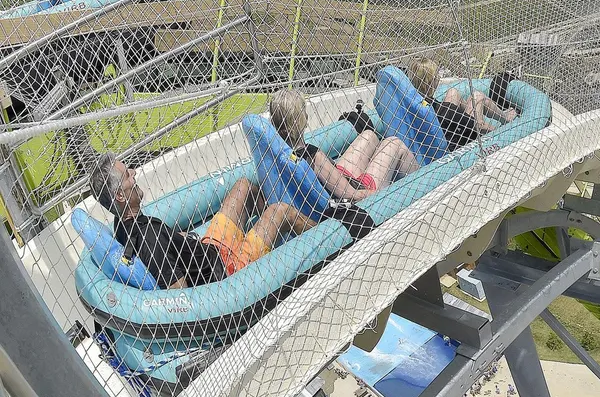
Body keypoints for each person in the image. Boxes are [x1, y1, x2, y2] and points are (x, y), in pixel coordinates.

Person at [90, 152, 315, 289]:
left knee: (243, 186)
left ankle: (269, 237)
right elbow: (178, 291)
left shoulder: (121, 224)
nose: (134, 171)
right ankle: (326, 233)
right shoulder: (149, 237)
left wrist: (180, 240)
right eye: (128, 175)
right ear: (120, 195)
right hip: (227, 271)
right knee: (281, 211)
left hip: (211, 249)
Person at [269, 89, 419, 201]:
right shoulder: (313, 156)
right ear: (303, 118)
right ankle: (421, 186)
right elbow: (353, 195)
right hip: (357, 189)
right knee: (394, 143)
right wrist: (382, 193)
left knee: (369, 136)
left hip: (338, 176)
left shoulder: (277, 152)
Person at [406, 58, 517, 150]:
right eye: (436, 75)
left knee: (453, 93)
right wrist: (504, 133)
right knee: (478, 96)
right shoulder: (445, 110)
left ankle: (502, 115)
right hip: (461, 139)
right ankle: (506, 119)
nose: (439, 78)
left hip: (448, 128)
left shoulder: (418, 102)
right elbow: (479, 127)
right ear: (431, 80)